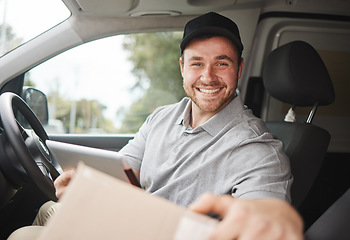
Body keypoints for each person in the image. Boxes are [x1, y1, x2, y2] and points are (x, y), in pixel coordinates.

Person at [8, 12, 303, 240]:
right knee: (50, 209)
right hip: (127, 225)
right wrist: (82, 186)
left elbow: (266, 215)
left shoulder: (260, 150)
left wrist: (274, 218)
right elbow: (123, 171)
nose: (208, 76)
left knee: (22, 236)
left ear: (238, 68)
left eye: (222, 63)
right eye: (197, 63)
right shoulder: (161, 117)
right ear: (182, 68)